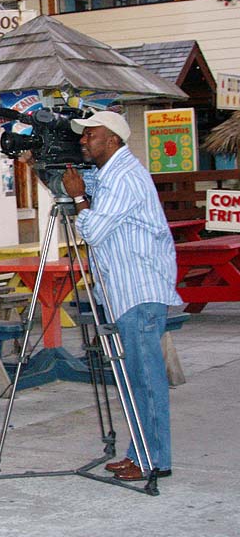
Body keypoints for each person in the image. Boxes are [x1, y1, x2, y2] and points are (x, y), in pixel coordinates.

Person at [61, 110, 182, 481]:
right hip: (125, 293)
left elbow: (93, 229)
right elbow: (81, 187)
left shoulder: (126, 177)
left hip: (139, 293)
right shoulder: (110, 174)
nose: (84, 140)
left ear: (112, 138)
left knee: (145, 381)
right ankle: (140, 453)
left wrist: (79, 199)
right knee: (132, 381)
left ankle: (155, 461)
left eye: (90, 134)